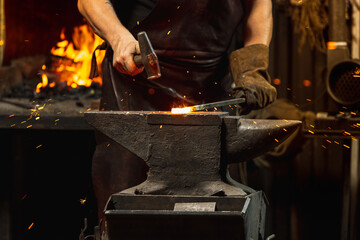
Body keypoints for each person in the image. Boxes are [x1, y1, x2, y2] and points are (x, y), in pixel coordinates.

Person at [77, 0, 276, 224]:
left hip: (210, 84)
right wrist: (119, 38)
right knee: (128, 214)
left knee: (215, 215)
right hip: (136, 82)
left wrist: (253, 66)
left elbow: (259, 5)